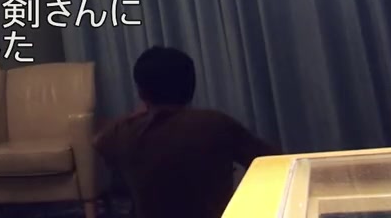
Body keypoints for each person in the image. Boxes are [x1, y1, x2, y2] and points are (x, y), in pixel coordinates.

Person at [93, 46, 277, 218]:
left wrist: (137, 113)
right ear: (191, 87)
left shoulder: (124, 132)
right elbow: (272, 161)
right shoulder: (214, 124)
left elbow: (98, 141)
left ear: (141, 93)